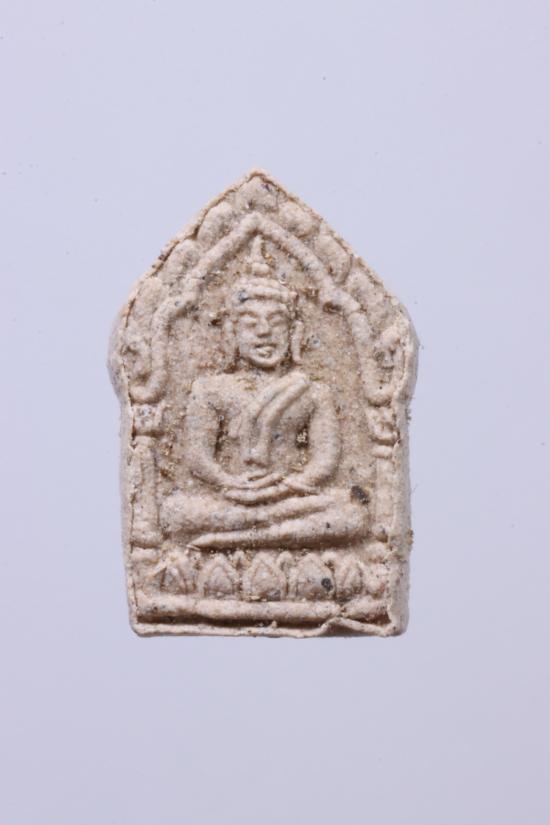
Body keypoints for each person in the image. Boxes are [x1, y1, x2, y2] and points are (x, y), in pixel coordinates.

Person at [160, 238, 368, 550]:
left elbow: (324, 460)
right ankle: (274, 534)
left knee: (352, 512)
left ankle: (236, 538)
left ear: (294, 333)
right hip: (233, 497)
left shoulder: (312, 392)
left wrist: (285, 488)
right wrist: (229, 483)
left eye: (276, 323)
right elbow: (198, 457)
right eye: (250, 324)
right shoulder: (211, 389)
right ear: (231, 334)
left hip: (288, 496)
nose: (264, 333)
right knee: (174, 512)